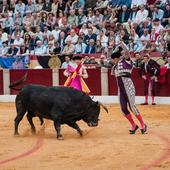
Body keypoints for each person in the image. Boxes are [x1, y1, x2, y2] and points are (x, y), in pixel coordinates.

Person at [111, 42, 147, 134]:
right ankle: (134, 125)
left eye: (113, 59)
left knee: (132, 107)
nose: (112, 61)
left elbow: (127, 51)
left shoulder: (126, 61)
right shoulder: (115, 67)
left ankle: (143, 124)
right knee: (123, 108)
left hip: (129, 87)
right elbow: (114, 53)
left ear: (117, 58)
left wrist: (121, 43)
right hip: (121, 89)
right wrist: (116, 49)